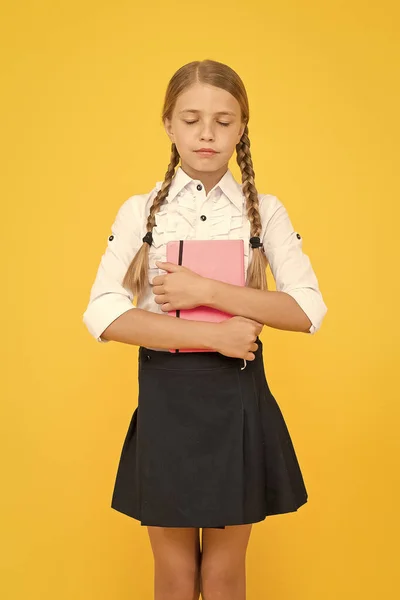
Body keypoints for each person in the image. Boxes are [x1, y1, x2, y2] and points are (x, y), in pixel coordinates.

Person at [82, 59, 328, 600]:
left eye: (224, 120)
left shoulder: (264, 211)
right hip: (167, 399)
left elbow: (308, 310)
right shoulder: (140, 211)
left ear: (242, 128)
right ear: (168, 124)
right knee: (173, 576)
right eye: (191, 119)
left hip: (237, 399)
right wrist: (216, 335)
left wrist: (208, 292)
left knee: (223, 574)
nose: (207, 134)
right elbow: (102, 313)